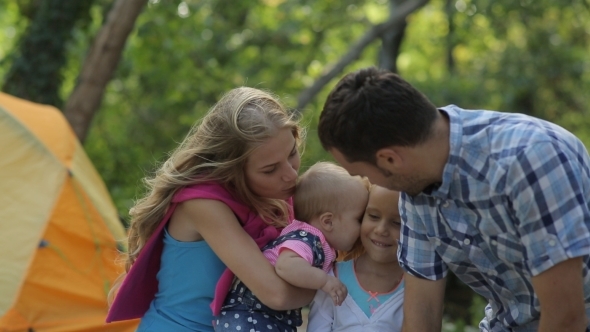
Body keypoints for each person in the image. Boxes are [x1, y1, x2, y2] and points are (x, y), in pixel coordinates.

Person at [317, 66, 590, 331]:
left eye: (361, 174)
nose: (371, 185)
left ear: (390, 159)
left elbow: (566, 320)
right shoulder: (415, 191)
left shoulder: (530, 160)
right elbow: (420, 319)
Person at [105, 87, 316, 332]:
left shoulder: (276, 194)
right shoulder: (202, 203)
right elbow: (277, 294)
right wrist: (332, 283)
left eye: (292, 154)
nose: (290, 175)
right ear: (232, 170)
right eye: (270, 170)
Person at [214, 161, 369, 332]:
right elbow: (286, 266)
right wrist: (324, 281)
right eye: (359, 219)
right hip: (251, 315)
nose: (364, 225)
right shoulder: (307, 239)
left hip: (266, 318)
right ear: (328, 221)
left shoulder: (317, 241)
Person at [307, 185, 405, 332]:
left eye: (397, 222)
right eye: (373, 216)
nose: (381, 229)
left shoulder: (416, 287)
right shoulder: (331, 278)